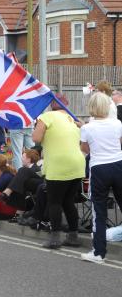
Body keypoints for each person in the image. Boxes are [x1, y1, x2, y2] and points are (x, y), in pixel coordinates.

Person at [32, 94, 85, 249]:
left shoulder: (47, 116)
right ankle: (73, 236)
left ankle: (55, 238)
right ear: (66, 104)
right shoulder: (72, 119)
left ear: (51, 105)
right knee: (68, 201)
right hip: (77, 164)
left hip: (58, 164)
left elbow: (36, 138)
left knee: (54, 202)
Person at [80, 92, 122, 263]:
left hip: (99, 168)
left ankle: (98, 252)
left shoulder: (87, 128)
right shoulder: (117, 123)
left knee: (99, 211)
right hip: (119, 164)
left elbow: (85, 148)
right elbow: (119, 143)